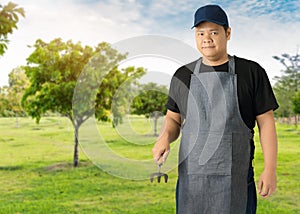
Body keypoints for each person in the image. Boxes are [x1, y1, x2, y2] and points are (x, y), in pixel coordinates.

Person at [152, 4, 278, 214]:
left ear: (227, 34)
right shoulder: (182, 75)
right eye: (200, 33)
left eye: (213, 32)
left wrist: (270, 169)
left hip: (235, 180)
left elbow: (266, 123)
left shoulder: (251, 72)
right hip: (191, 181)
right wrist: (164, 137)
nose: (206, 38)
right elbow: (173, 120)